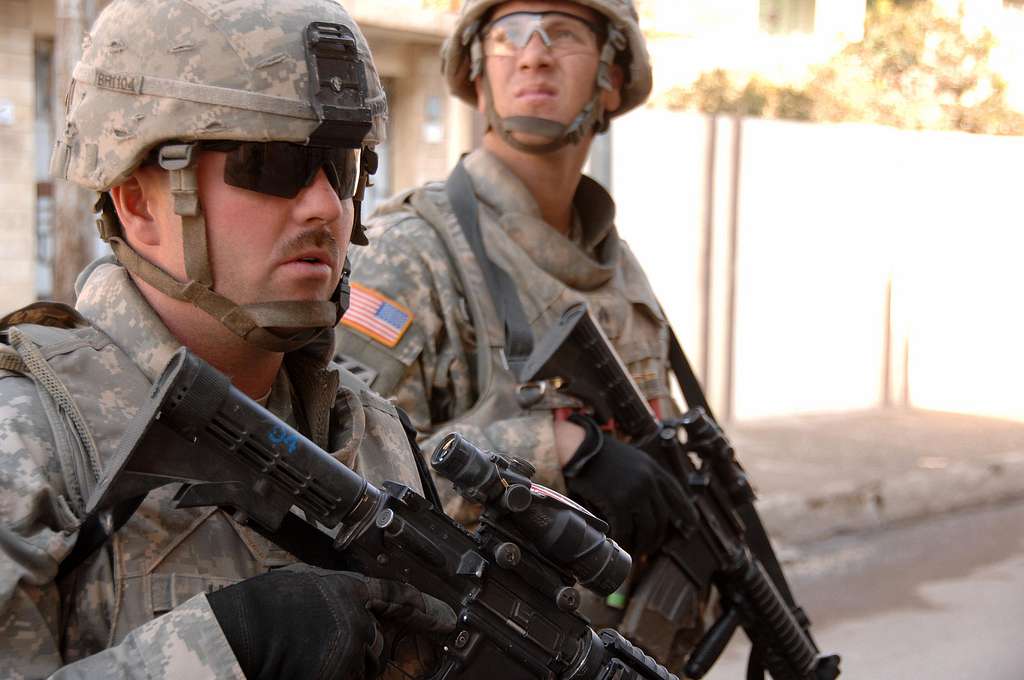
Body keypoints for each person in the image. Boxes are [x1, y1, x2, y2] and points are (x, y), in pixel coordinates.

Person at [0, 0, 455, 677]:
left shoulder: (377, 433)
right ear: (138, 198)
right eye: (270, 165)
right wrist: (228, 647)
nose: (326, 206)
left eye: (342, 166)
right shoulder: (32, 446)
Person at [335, 0, 709, 663]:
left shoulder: (618, 268)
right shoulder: (414, 253)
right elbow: (347, 482)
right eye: (509, 35)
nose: (533, 54)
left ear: (611, 79)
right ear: (479, 75)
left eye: (562, 33)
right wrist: (555, 447)